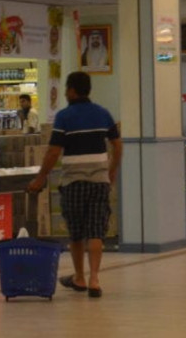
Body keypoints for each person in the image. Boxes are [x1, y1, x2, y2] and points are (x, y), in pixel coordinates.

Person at [27, 71, 121, 298]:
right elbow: (118, 145)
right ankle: (95, 280)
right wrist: (111, 171)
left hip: (73, 182)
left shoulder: (64, 117)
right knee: (97, 231)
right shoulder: (103, 114)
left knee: (77, 233)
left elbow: (53, 151)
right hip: (99, 182)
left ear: (71, 90)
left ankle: (79, 277)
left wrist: (41, 177)